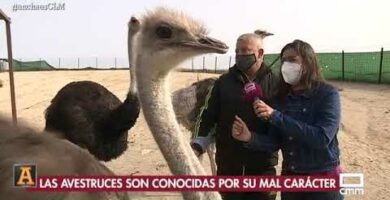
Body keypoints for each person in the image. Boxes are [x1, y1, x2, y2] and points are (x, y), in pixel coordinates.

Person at [232, 39, 343, 200]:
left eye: (292, 60)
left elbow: (322, 138)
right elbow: (276, 141)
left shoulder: (327, 95)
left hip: (323, 180)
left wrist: (276, 116)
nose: (286, 65)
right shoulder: (281, 99)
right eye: (283, 61)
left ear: (307, 62)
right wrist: (250, 137)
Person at [191, 31, 279, 200]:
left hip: (262, 170)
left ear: (260, 53)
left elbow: (284, 127)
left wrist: (272, 115)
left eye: (245, 51)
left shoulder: (276, 84)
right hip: (228, 169)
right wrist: (197, 145)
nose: (240, 55)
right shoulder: (222, 83)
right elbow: (207, 116)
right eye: (237, 51)